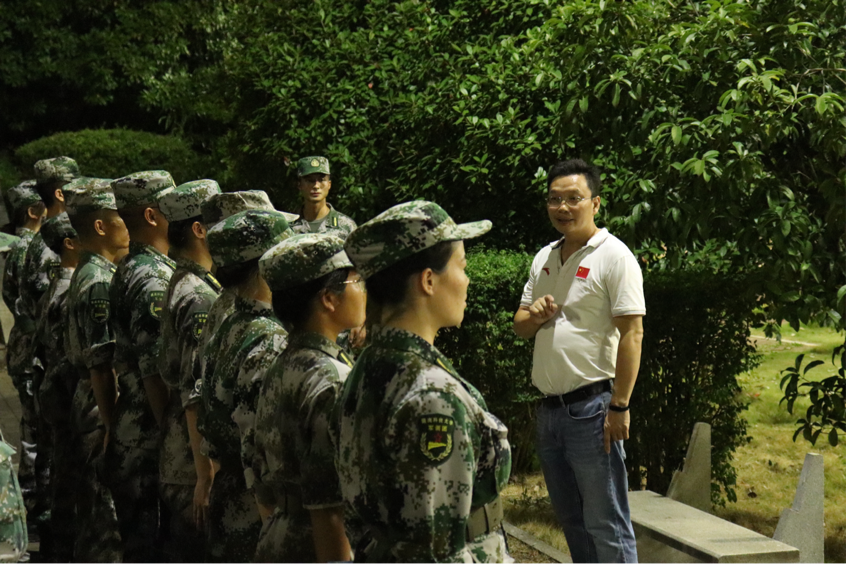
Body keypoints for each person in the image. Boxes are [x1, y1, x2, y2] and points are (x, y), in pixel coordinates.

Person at [337, 200, 513, 563]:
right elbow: (435, 551)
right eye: (462, 267)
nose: (467, 280)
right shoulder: (432, 395)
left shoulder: (370, 364)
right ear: (428, 280)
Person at [512, 159, 645, 564]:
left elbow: (632, 333)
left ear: (596, 203)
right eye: (555, 199)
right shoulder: (545, 257)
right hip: (549, 412)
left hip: (594, 410)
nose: (563, 208)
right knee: (571, 520)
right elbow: (520, 326)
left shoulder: (614, 256)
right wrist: (535, 316)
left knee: (606, 522)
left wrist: (620, 405)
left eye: (574, 199)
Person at [252, 233, 364, 563]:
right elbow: (329, 507)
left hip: (280, 535)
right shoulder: (331, 380)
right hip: (319, 545)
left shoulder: (284, 364)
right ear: (328, 299)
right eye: (357, 282)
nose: (364, 291)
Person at [200, 209, 294, 563]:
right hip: (255, 512)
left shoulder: (230, 321)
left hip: (230, 494)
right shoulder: (268, 339)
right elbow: (258, 450)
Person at [107, 170, 178, 564]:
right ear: (152, 215)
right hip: (149, 442)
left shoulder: (133, 266)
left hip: (135, 434)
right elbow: (155, 376)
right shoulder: (152, 279)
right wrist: (172, 443)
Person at [156, 179, 222, 563]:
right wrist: (206, 475)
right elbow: (195, 392)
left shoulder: (186, 281)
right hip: (192, 464)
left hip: (181, 456)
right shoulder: (198, 295)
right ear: (199, 229)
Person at [63, 176, 127, 563]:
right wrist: (111, 427)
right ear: (101, 226)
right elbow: (102, 366)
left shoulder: (89, 271)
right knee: (106, 521)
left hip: (89, 403)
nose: (127, 225)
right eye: (121, 217)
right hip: (98, 409)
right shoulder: (99, 281)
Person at [19, 156, 80, 549]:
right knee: (57, 456)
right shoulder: (52, 245)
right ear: (60, 192)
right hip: (57, 368)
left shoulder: (41, 241)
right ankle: (53, 531)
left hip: (46, 364)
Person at [34, 211, 81, 564]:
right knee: (70, 480)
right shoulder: (68, 289)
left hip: (56, 394)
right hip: (68, 397)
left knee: (63, 474)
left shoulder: (57, 285)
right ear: (69, 243)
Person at [1, 179, 45, 522]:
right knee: (36, 428)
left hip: (22, 347)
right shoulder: (32, 249)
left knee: (32, 427)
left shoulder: (16, 248)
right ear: (33, 211)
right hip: (31, 350)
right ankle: (32, 500)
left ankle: (31, 496)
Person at [289, 156, 357, 238]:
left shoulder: (346, 226)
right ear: (299, 185)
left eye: (321, 180)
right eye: (310, 181)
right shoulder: (289, 229)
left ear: (329, 184)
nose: (316, 186)